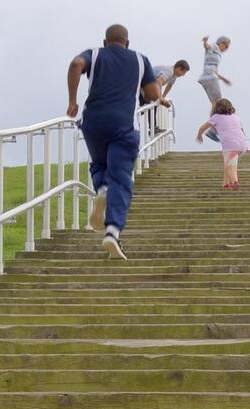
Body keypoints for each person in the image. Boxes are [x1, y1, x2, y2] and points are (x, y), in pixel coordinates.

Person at [67, 24, 161, 260]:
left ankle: (102, 189)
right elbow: (152, 94)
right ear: (127, 42)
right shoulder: (140, 60)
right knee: (121, 177)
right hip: (124, 126)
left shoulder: (95, 54)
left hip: (93, 122)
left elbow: (76, 64)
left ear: (105, 41)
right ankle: (112, 231)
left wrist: (72, 102)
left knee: (99, 164)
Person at [196, 98, 248, 190]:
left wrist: (199, 136)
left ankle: (235, 182)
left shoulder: (216, 117)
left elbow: (202, 128)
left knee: (230, 166)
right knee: (229, 164)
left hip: (230, 145)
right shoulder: (235, 117)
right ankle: (225, 184)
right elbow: (242, 131)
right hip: (242, 144)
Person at [196, 36, 232, 141]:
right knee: (219, 103)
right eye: (226, 46)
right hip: (209, 78)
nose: (227, 49)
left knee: (215, 103)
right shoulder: (214, 47)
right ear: (222, 43)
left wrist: (224, 79)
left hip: (209, 77)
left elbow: (214, 70)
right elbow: (207, 47)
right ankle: (212, 129)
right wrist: (205, 42)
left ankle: (213, 128)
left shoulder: (218, 54)